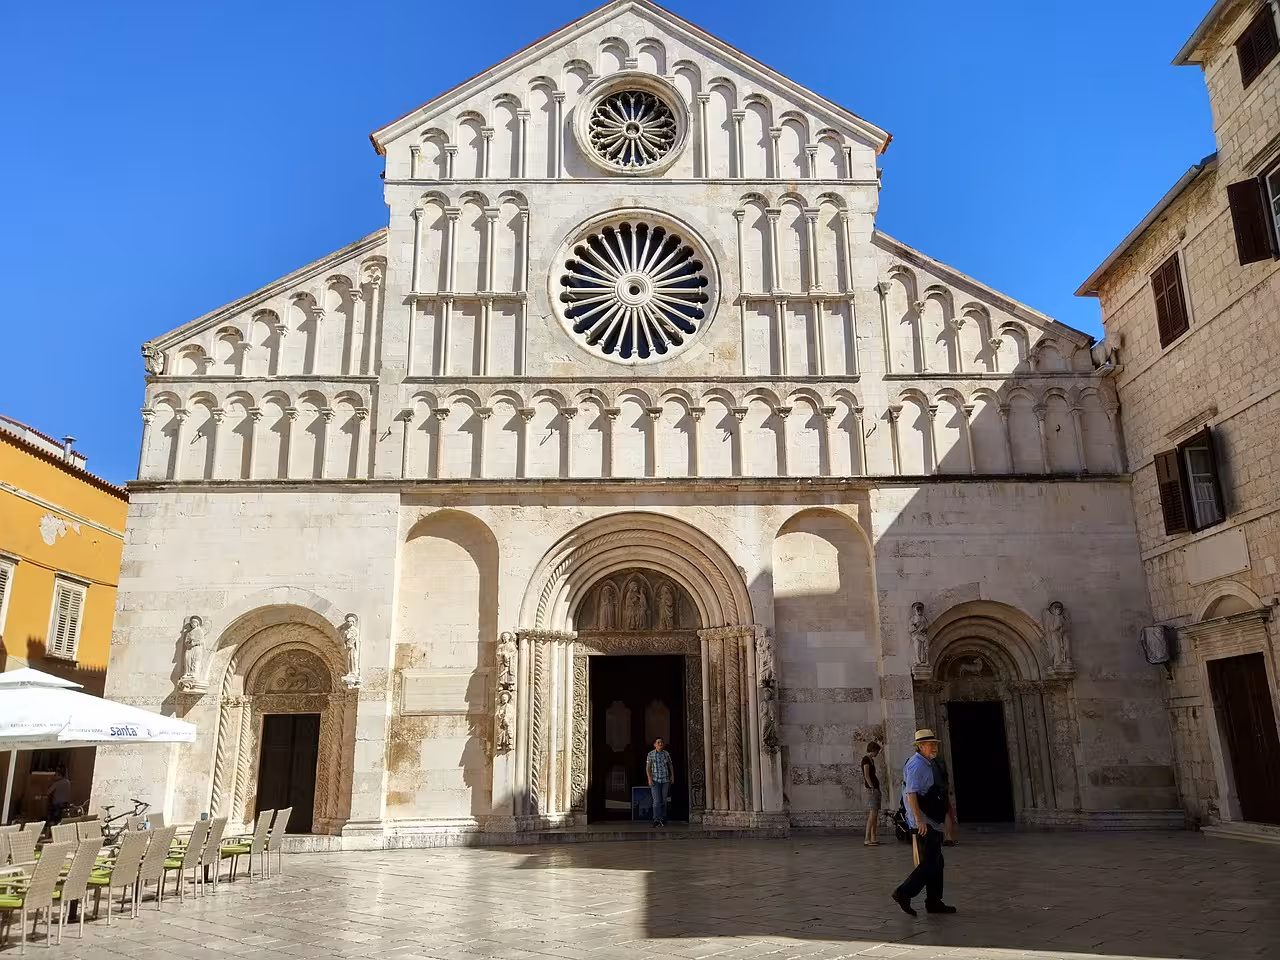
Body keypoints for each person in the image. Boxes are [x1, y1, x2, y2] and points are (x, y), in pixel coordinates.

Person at [891, 729, 957, 917]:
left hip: (929, 819)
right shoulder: (917, 765)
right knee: (930, 863)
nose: (934, 747)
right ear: (920, 746)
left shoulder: (924, 763)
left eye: (935, 744)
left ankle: (934, 901)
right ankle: (903, 892)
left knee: (936, 862)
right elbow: (911, 793)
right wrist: (919, 819)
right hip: (924, 822)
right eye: (930, 744)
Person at [646, 737, 674, 826]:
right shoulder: (651, 754)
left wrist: (672, 775)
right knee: (656, 801)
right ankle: (656, 819)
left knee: (664, 800)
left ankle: (663, 818)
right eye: (658, 742)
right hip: (655, 780)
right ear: (655, 744)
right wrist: (649, 778)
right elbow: (648, 767)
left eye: (661, 742)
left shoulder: (666, 754)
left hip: (665, 779)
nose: (660, 744)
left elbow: (670, 764)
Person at [861, 741, 882, 845]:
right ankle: (867, 838)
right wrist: (872, 787)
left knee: (875, 814)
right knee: (872, 814)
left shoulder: (871, 760)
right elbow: (866, 775)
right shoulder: (866, 760)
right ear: (873, 750)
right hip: (871, 789)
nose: (877, 753)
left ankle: (873, 837)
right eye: (877, 751)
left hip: (875, 788)